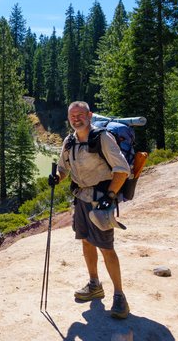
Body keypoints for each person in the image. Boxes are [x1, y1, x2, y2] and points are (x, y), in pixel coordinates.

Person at [51, 101, 131, 319]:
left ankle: (119, 296)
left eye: (80, 114)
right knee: (86, 241)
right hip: (81, 199)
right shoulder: (69, 141)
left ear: (89, 115)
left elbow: (122, 170)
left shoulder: (103, 138)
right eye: (72, 116)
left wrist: (110, 196)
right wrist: (57, 177)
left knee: (106, 247)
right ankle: (95, 284)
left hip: (100, 202)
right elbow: (63, 168)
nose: (76, 119)